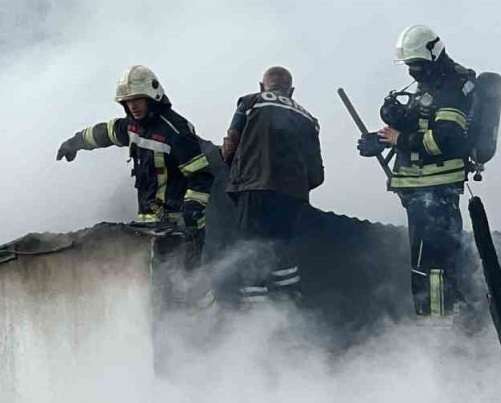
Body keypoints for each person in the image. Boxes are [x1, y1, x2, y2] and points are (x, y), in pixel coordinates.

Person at [358, 24, 476, 321]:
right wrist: (382, 139)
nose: (412, 71)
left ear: (433, 56)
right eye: (408, 64)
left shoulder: (452, 87)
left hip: (436, 189)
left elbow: (445, 140)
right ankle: (450, 320)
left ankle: (437, 326)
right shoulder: (433, 84)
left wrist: (400, 139)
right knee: (433, 262)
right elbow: (421, 125)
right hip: (423, 190)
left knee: (431, 266)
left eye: (416, 64)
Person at [55, 65, 213, 245]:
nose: (132, 106)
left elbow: (201, 177)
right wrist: (74, 143)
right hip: (147, 225)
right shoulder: (132, 126)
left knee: (174, 265)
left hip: (179, 228)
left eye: (137, 99)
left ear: (151, 96)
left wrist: (190, 215)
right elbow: (105, 133)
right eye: (127, 101)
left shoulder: (176, 131)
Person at [219, 66, 323, 307]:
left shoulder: (250, 102)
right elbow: (316, 174)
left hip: (254, 190)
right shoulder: (308, 119)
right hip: (292, 196)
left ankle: (254, 313)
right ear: (291, 91)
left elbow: (231, 142)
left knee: (249, 251)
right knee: (281, 251)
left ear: (261, 86)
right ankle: (290, 308)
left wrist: (230, 162)